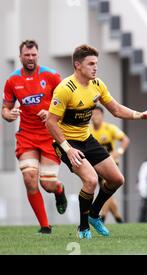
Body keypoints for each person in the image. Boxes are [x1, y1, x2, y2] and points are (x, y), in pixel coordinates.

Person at [46, 44, 147, 240]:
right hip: (66, 143)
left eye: (96, 63)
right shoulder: (65, 89)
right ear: (77, 65)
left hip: (86, 138)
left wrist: (141, 115)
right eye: (91, 64)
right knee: (91, 180)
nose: (95, 67)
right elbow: (50, 122)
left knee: (117, 179)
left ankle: (94, 215)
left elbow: (116, 109)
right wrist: (67, 149)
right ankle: (83, 227)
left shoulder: (97, 85)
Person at [2, 40, 67, 234]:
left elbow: (67, 104)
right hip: (27, 136)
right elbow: (5, 108)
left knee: (47, 184)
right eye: (26, 55)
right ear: (20, 56)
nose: (30, 58)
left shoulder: (52, 76)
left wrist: (51, 113)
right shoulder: (12, 81)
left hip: (50, 135)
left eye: (33, 55)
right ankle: (45, 226)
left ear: (38, 55)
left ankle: (59, 190)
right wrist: (8, 114)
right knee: (30, 179)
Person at [90, 105, 130, 223]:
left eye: (98, 114)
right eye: (93, 113)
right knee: (106, 192)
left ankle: (102, 216)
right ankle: (118, 218)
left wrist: (119, 151)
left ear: (102, 116)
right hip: (96, 165)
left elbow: (125, 139)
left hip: (110, 163)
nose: (95, 116)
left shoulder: (109, 128)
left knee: (105, 187)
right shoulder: (88, 131)